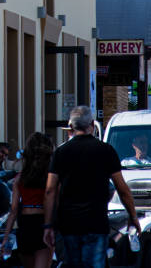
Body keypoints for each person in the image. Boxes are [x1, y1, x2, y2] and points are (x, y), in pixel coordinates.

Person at [43, 106, 140, 268]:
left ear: (72, 127)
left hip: (69, 223)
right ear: (92, 126)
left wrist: (48, 225)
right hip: (96, 222)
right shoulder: (105, 150)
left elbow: (50, 190)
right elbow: (122, 189)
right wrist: (133, 216)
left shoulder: (61, 152)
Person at [0, 133, 53, 268]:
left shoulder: (20, 178)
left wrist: (5, 238)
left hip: (25, 225)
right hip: (43, 223)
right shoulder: (50, 178)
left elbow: (13, 211)